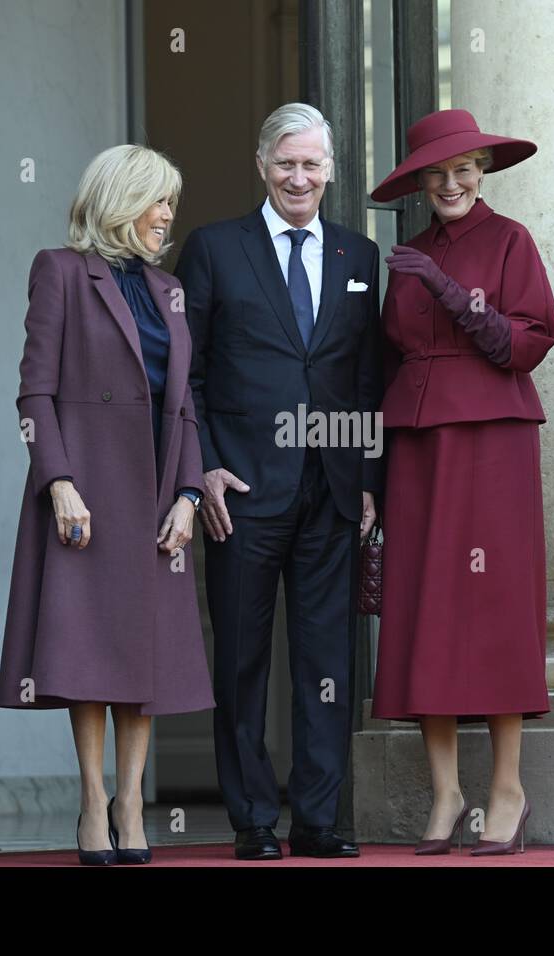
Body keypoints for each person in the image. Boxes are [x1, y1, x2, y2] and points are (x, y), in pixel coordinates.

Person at [0, 145, 213, 866]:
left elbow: (182, 403)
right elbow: (35, 391)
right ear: (121, 200)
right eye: (158, 202)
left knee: (144, 652)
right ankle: (93, 803)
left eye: (171, 205)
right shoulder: (59, 271)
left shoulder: (166, 288)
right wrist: (58, 481)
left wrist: (188, 493)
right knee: (90, 650)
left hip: (154, 493)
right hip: (87, 494)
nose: (167, 218)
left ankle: (131, 802)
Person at [175, 103, 382, 860]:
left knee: (327, 662)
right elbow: (186, 374)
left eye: (313, 164)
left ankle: (319, 818)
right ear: (262, 166)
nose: (300, 177)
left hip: (330, 488)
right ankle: (254, 818)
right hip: (244, 490)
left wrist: (364, 477)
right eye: (287, 163)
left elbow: (363, 376)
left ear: (330, 170)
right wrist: (201, 470)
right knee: (242, 657)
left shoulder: (361, 257)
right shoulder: (214, 249)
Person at [367, 109, 554, 856]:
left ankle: (506, 788)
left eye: (464, 169)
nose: (451, 183)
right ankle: (446, 792)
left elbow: (525, 343)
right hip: (415, 445)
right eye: (437, 174)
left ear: (484, 171)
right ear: (419, 183)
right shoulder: (409, 251)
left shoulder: (510, 241)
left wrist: (448, 289)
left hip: (492, 442)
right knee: (424, 609)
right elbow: (388, 360)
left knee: (497, 606)